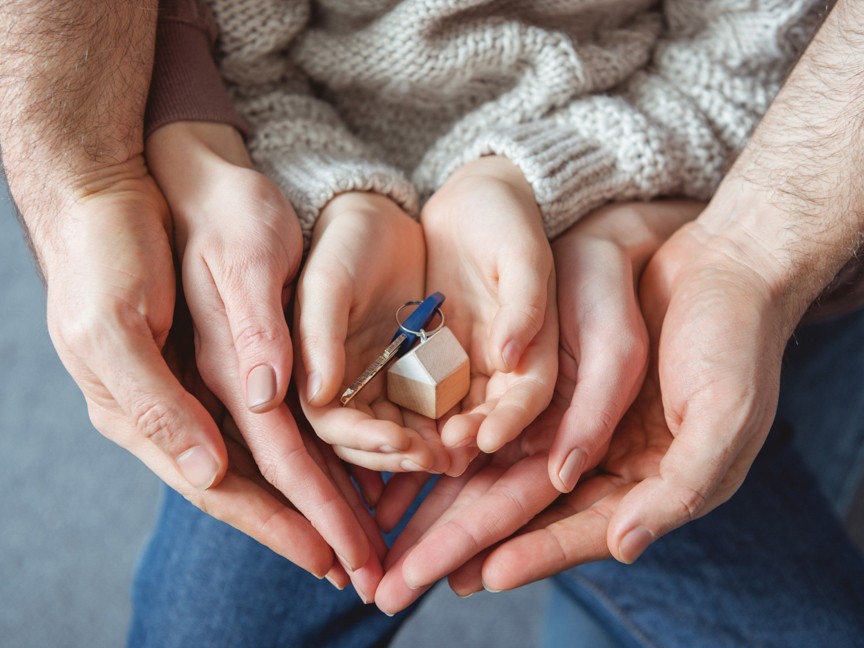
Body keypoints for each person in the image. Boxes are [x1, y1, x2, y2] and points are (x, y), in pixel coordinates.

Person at [2, 1, 863, 647]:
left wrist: (538, 182)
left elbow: (746, 77)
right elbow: (236, 64)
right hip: (304, 287)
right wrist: (337, 199)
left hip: (655, 261)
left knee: (732, 566)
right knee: (211, 621)